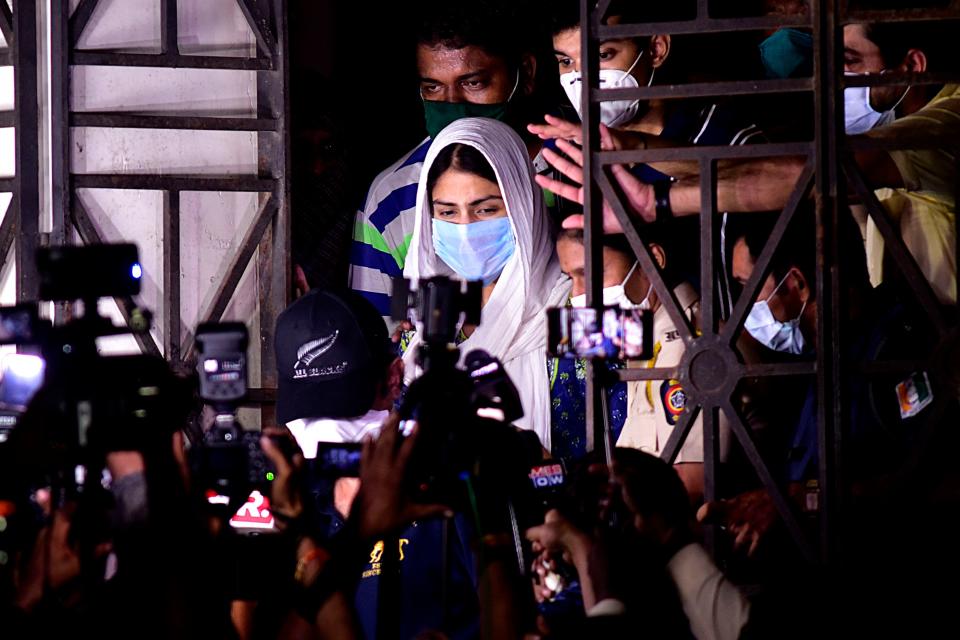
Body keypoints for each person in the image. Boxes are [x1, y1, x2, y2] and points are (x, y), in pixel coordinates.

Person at [539, 20, 958, 305]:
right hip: (637, 376)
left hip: (707, 364)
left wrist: (661, 200)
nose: (583, 79)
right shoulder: (573, 158)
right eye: (566, 62)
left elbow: (795, 182)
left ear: (656, 49)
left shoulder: (731, 137)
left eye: (604, 55)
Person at [274, 288, 480, 639]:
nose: (323, 428)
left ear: (393, 378)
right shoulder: (292, 505)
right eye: (310, 411)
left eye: (341, 406)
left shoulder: (445, 491)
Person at [348, 0, 549, 323]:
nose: (452, 105)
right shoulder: (393, 197)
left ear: (524, 73)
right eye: (433, 88)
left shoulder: (575, 172)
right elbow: (380, 335)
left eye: (473, 83)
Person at [557, 228, 730, 501]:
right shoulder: (646, 340)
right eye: (571, 278)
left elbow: (694, 482)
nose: (578, 295)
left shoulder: (690, 347)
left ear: (652, 259)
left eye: (590, 274)